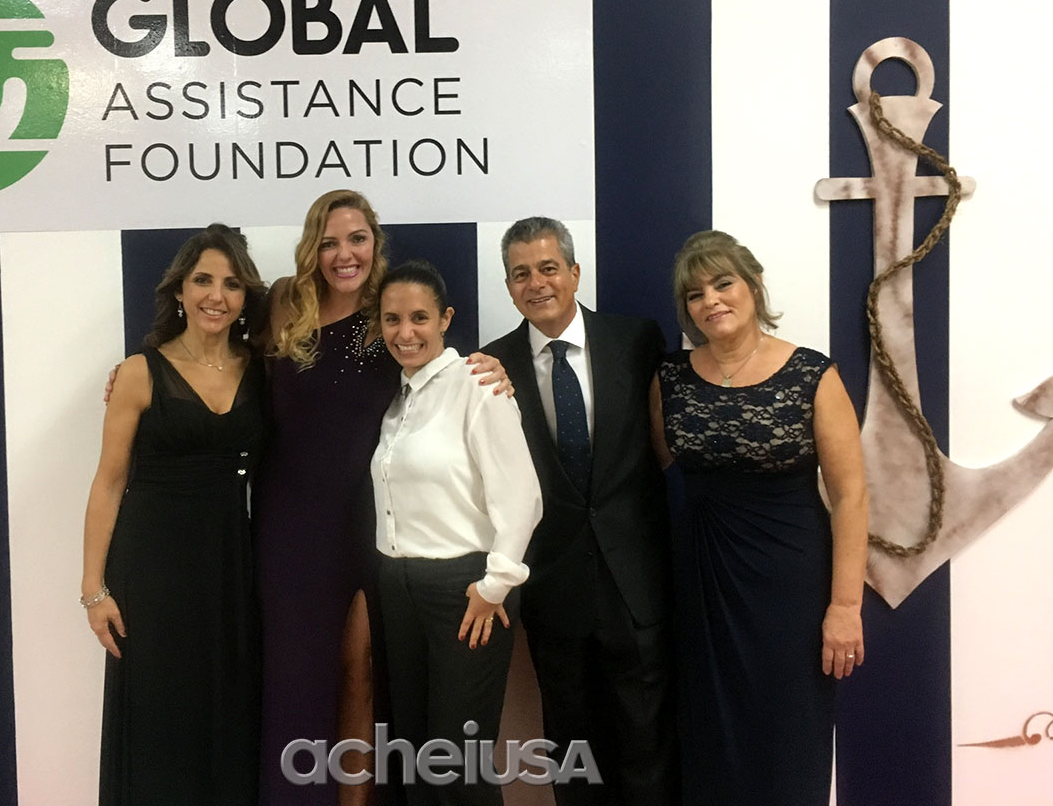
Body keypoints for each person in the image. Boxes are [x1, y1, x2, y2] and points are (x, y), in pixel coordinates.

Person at [253, 190, 509, 806]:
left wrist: (501, 370)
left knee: (362, 673)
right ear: (312, 248)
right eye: (330, 242)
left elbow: (444, 374)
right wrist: (141, 368)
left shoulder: (391, 312)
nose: (345, 254)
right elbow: (217, 349)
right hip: (289, 524)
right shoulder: (284, 301)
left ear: (376, 242)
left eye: (357, 239)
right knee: (295, 678)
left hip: (370, 523)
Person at [649, 229, 868, 806]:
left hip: (790, 586)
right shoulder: (669, 377)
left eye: (723, 283)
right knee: (709, 736)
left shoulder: (812, 374)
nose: (711, 301)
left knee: (788, 733)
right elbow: (658, 469)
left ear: (754, 285)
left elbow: (850, 496)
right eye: (695, 294)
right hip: (701, 584)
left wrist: (845, 607)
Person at [482, 217, 678, 806]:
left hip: (636, 585)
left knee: (648, 751)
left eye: (548, 268)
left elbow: (663, 448)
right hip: (555, 590)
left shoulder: (636, 341)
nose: (536, 283)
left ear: (574, 272)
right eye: (521, 274)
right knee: (573, 758)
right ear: (508, 286)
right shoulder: (491, 366)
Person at [81, 224, 267, 805]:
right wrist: (93, 589)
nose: (217, 295)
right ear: (180, 290)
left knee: (225, 713)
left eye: (232, 284)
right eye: (203, 280)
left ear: (245, 296)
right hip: (152, 570)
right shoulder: (139, 372)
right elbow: (109, 481)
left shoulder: (262, 368)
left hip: (230, 566)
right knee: (158, 716)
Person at [369, 260, 542, 806]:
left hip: (465, 593)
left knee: (457, 765)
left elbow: (523, 495)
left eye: (419, 317)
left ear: (445, 318)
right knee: (415, 756)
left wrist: (495, 586)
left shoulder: (477, 384)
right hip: (398, 588)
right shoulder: (396, 398)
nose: (405, 332)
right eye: (392, 319)